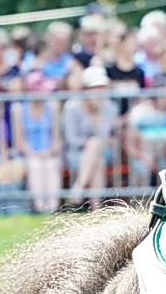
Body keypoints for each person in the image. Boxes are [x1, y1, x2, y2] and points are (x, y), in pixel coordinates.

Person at [63, 65, 116, 203]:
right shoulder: (72, 107)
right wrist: (89, 143)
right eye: (95, 88)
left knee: (96, 147)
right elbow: (71, 139)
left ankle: (78, 188)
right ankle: (96, 207)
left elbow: (104, 137)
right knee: (97, 157)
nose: (99, 92)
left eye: (102, 87)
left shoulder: (109, 108)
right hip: (77, 153)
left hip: (103, 150)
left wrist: (97, 117)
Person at [16, 71, 60, 213]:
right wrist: (34, 153)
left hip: (49, 153)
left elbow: (56, 138)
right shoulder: (19, 109)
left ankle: (52, 207)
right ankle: (41, 207)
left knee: (51, 164)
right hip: (28, 153)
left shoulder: (52, 107)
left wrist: (49, 151)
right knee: (35, 165)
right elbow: (19, 142)